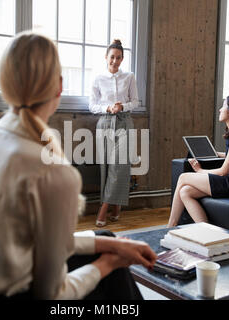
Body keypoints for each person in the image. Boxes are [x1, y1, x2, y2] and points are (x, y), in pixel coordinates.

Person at [0, 32, 156, 300]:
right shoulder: (54, 173)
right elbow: (53, 296)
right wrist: (109, 263)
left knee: (105, 235)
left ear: (5, 84)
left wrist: (110, 243)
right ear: (59, 86)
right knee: (115, 277)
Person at [167, 94, 229, 227]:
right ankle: (208, 231)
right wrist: (214, 153)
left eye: (223, 106)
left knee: (183, 177)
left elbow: (223, 171)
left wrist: (200, 171)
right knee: (185, 191)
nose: (220, 110)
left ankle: (170, 226)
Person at [89, 39, 139, 227]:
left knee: (119, 166)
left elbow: (135, 101)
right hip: (104, 122)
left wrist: (122, 106)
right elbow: (92, 105)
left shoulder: (129, 77)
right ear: (106, 57)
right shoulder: (97, 78)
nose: (115, 61)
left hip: (124, 122)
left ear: (122, 59)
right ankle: (116, 206)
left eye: (118, 58)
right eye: (112, 57)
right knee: (107, 166)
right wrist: (108, 108)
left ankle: (104, 207)